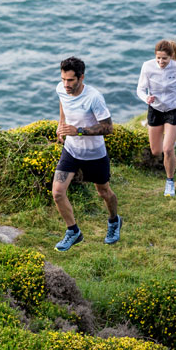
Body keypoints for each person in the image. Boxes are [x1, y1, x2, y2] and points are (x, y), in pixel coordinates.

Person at [53, 56, 121, 251]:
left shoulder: (94, 97)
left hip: (94, 154)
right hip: (71, 151)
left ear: (81, 78)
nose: (65, 84)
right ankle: (73, 231)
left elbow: (108, 128)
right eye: (63, 79)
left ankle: (114, 221)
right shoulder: (61, 88)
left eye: (70, 80)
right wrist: (61, 124)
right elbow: (63, 103)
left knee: (104, 192)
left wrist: (79, 130)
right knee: (58, 193)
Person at [136, 39, 176, 197]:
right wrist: (146, 98)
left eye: (164, 58)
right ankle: (168, 156)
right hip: (155, 109)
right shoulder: (147, 66)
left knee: (168, 149)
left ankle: (170, 181)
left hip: (173, 109)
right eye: (158, 58)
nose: (161, 62)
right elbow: (140, 89)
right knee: (156, 150)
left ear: (171, 56)